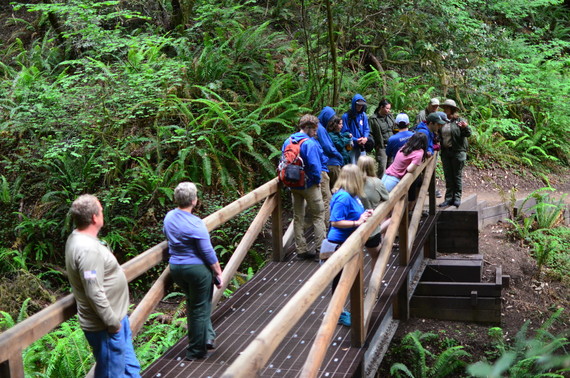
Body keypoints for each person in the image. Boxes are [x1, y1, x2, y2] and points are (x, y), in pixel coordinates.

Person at [65, 194, 141, 377]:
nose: (102, 213)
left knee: (131, 370)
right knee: (111, 374)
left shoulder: (80, 239)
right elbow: (93, 291)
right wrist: (112, 323)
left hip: (116, 319)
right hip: (105, 325)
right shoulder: (87, 250)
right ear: (94, 217)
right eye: (101, 210)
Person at [163, 182, 223, 361]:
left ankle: (208, 336)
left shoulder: (169, 217)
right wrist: (218, 272)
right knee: (200, 307)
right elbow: (207, 252)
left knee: (194, 303)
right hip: (196, 270)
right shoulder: (196, 224)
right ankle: (196, 350)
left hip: (176, 268)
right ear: (194, 201)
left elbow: (167, 235)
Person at [327, 164, 372, 326]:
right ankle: (337, 314)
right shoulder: (344, 197)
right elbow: (335, 221)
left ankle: (341, 311)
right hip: (339, 244)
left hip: (349, 243)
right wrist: (357, 222)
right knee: (340, 281)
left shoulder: (352, 195)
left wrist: (364, 214)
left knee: (347, 279)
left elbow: (355, 214)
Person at [282, 114, 325, 260]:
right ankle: (320, 250)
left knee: (298, 216)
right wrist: (317, 180)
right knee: (319, 215)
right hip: (309, 185)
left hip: (293, 184)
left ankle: (301, 249)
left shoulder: (288, 141)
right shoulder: (309, 144)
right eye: (314, 129)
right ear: (307, 127)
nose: (315, 132)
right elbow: (314, 166)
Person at [439, 99, 473, 208]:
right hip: (445, 152)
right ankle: (448, 198)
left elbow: (468, 133)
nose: (445, 110)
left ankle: (457, 198)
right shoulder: (442, 120)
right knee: (448, 176)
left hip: (458, 152)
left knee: (457, 176)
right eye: (444, 108)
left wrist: (465, 127)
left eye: (447, 108)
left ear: (452, 109)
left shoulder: (459, 120)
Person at [357, 156, 390, 268]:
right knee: (376, 256)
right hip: (371, 228)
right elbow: (386, 197)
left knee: (353, 260)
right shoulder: (376, 182)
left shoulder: (352, 183)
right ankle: (373, 283)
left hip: (353, 227)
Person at [316, 106, 343, 224]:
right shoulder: (320, 129)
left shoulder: (320, 127)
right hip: (331, 163)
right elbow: (327, 146)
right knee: (336, 190)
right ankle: (334, 220)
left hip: (327, 163)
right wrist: (338, 155)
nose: (332, 123)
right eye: (331, 120)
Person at [369, 99, 395, 177]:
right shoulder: (373, 119)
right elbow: (370, 133)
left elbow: (394, 128)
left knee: (391, 166)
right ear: (381, 107)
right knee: (382, 167)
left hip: (391, 145)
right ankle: (380, 185)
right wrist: (374, 145)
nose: (388, 110)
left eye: (389, 108)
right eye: (387, 108)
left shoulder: (390, 117)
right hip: (381, 146)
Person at [341, 94, 370, 164]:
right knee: (352, 164)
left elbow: (366, 128)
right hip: (351, 145)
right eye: (358, 105)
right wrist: (355, 139)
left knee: (362, 165)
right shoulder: (346, 116)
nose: (360, 107)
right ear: (354, 104)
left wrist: (365, 138)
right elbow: (344, 132)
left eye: (361, 105)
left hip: (362, 145)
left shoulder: (363, 115)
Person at [327, 115, 352, 185]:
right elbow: (340, 144)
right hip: (338, 162)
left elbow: (342, 137)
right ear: (335, 124)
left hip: (345, 161)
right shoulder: (331, 135)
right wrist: (348, 139)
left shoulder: (340, 134)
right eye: (340, 124)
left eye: (342, 124)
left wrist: (346, 135)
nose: (342, 126)